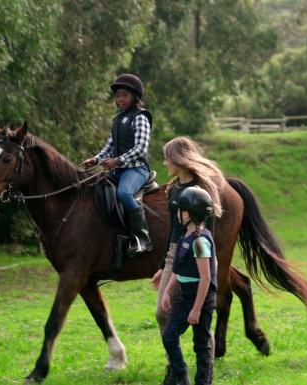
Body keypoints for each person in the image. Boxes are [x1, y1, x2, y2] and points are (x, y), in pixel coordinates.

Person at [151, 137, 224, 335]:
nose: (165, 163)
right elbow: (174, 229)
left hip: (198, 250)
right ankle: (172, 362)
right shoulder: (173, 189)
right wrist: (162, 266)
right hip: (176, 251)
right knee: (161, 312)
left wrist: (210, 262)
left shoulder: (204, 188)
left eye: (167, 158)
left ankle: (204, 363)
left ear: (177, 159)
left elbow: (209, 229)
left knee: (200, 319)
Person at [82, 74, 153, 255]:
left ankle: (142, 238)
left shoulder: (140, 118)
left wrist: (118, 160)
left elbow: (140, 148)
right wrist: (96, 159)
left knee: (124, 193)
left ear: (134, 97)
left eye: (125, 95)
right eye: (118, 95)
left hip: (136, 169)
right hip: (119, 169)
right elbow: (110, 146)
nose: (120, 99)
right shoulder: (117, 119)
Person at [161, 186, 218, 385]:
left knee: (201, 344)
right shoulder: (185, 236)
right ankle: (180, 375)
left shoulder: (201, 242)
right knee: (169, 337)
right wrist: (168, 290)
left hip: (201, 298)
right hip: (185, 296)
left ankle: (204, 381)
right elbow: (179, 268)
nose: (178, 213)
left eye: (180, 209)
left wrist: (196, 309)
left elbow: (205, 278)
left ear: (189, 213)